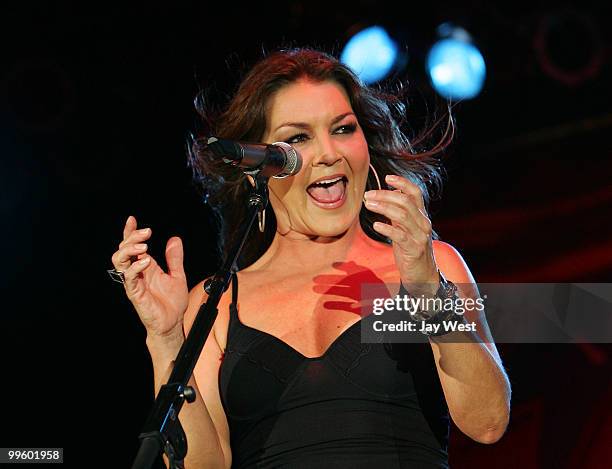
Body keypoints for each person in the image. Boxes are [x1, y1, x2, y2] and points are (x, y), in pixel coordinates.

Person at [110, 48, 511, 468]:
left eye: (343, 129)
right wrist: (166, 339)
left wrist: (427, 289)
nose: (327, 153)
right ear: (257, 167)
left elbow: (487, 422)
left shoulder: (430, 266)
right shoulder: (217, 304)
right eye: (298, 137)